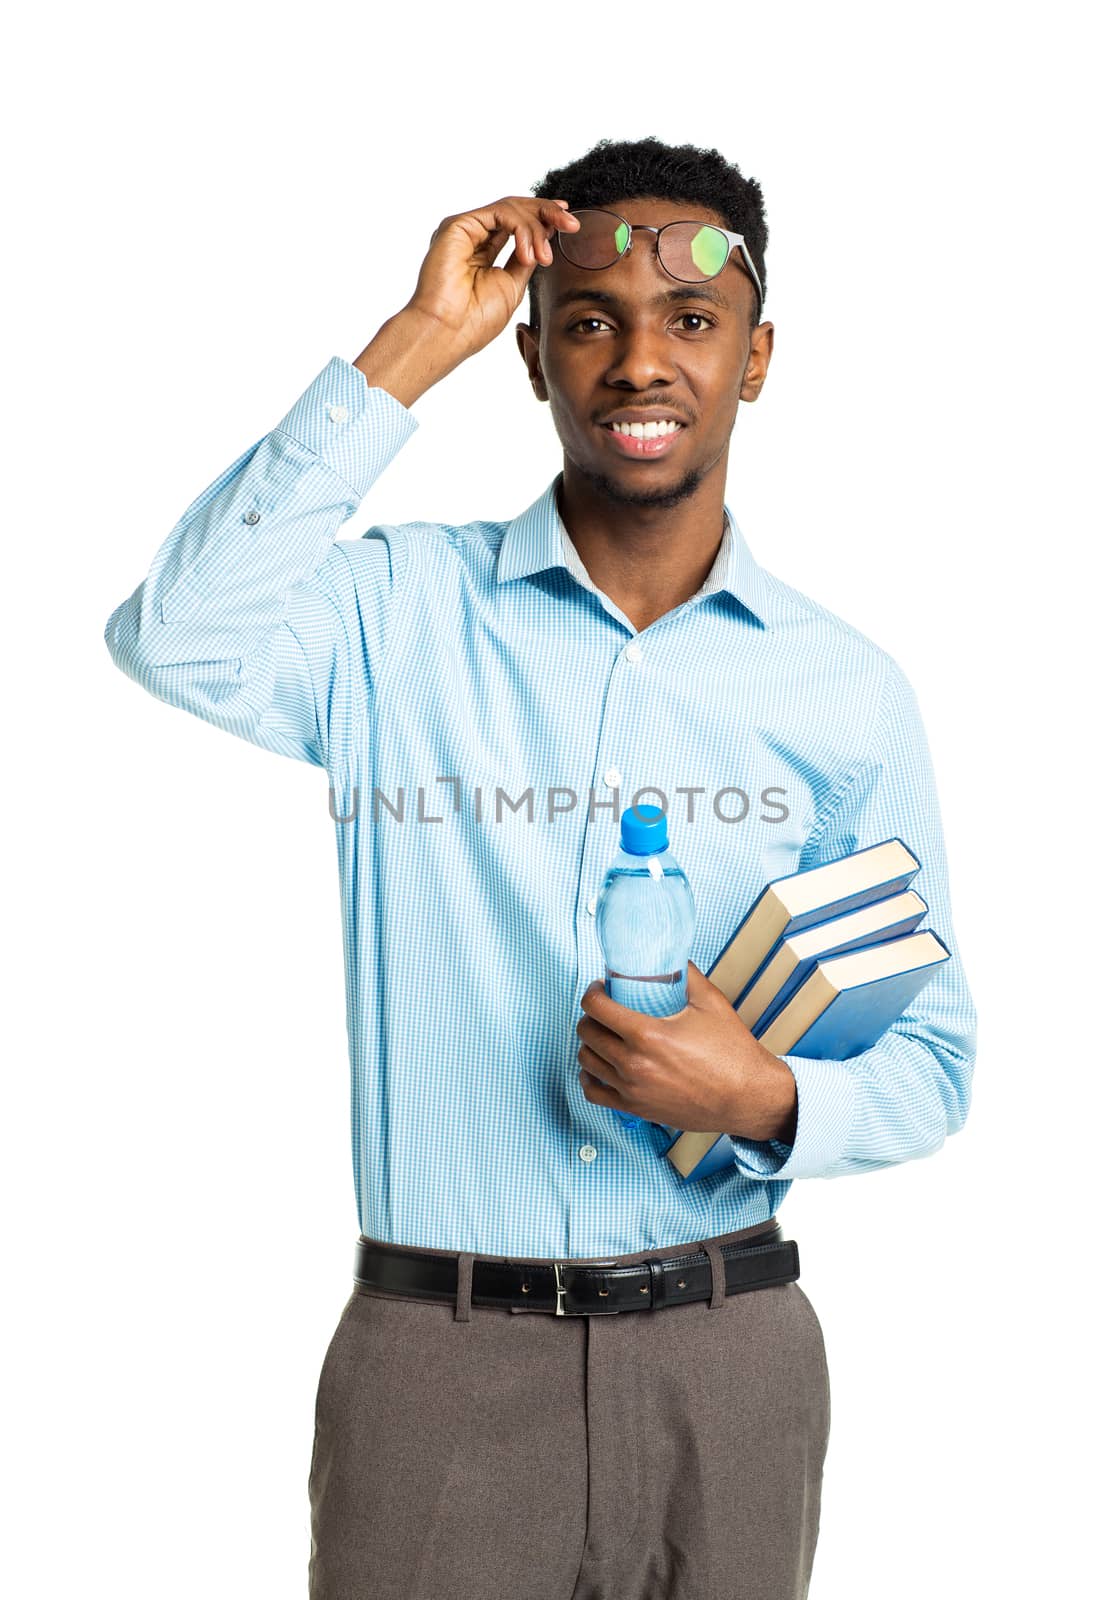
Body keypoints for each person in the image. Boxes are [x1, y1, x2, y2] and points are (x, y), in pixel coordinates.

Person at [104, 135, 977, 1599]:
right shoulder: (393, 615)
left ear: (755, 359)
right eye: (589, 322)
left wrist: (758, 1095)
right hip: (436, 1366)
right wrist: (411, 345)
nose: (640, 360)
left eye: (689, 322)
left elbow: (934, 1058)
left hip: (733, 1361)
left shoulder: (847, 694)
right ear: (533, 360)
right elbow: (176, 634)